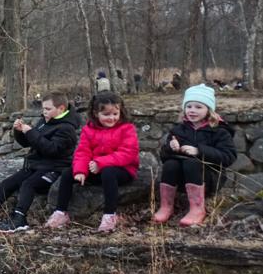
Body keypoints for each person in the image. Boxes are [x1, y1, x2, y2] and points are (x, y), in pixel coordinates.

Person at [0, 92, 81, 233]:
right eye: (43, 108)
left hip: (54, 168)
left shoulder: (67, 129)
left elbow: (51, 150)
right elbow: (28, 143)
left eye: (47, 109)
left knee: (28, 185)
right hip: (35, 166)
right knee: (7, 183)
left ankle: (19, 219)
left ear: (61, 109)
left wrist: (30, 132)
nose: (44, 112)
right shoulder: (45, 121)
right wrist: (20, 132)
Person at [45, 91, 139, 232]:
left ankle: (109, 215)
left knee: (108, 172)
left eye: (115, 114)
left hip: (122, 170)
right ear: (96, 113)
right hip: (95, 168)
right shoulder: (89, 129)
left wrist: (101, 162)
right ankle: (61, 212)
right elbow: (83, 151)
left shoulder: (127, 129)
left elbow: (128, 153)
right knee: (67, 174)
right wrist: (80, 171)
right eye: (106, 115)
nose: (111, 118)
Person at [153, 84, 237, 227]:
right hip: (182, 180)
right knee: (170, 164)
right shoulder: (178, 129)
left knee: (192, 162)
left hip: (210, 179)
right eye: (189, 106)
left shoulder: (219, 131)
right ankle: (166, 206)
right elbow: (164, 157)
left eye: (198, 107)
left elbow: (229, 157)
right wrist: (171, 148)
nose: (192, 110)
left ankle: (197, 209)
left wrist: (199, 151)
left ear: (209, 110)